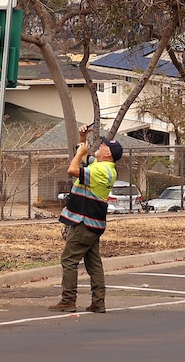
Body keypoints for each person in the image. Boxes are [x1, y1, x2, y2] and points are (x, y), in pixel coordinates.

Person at [50, 125, 123, 314]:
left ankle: (68, 300)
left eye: (105, 145)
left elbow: (73, 169)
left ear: (108, 154)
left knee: (68, 259)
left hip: (85, 223)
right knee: (93, 263)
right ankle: (98, 302)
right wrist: (82, 137)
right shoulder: (102, 166)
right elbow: (83, 157)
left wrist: (80, 151)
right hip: (93, 223)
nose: (101, 145)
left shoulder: (102, 171)